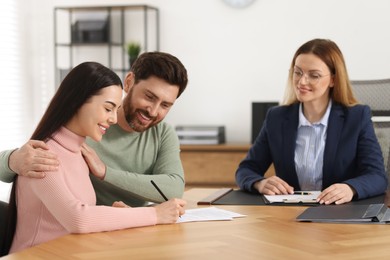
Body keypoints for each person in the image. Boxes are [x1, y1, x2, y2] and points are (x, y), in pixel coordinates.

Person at [1, 62, 186, 255]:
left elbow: (79, 214)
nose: (114, 118)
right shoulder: (43, 156)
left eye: (165, 105)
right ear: (77, 101)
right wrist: (155, 214)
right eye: (108, 109)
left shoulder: (79, 152)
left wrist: (123, 213)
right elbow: (78, 218)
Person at [236, 38, 388, 205]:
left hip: (339, 216)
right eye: (298, 72)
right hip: (288, 216)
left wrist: (350, 188)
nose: (302, 82)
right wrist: (260, 183)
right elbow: (246, 169)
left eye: (313, 75)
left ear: (333, 80)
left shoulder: (356, 117)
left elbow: (377, 177)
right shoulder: (277, 118)